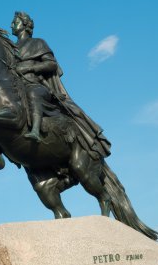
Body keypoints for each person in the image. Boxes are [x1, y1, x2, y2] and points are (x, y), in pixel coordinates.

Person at [12, 11, 111, 158]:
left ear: (25, 24)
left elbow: (51, 64)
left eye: (15, 22)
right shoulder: (10, 47)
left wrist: (30, 67)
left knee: (33, 93)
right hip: (17, 86)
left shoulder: (38, 43)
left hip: (36, 85)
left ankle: (36, 130)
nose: (11, 25)